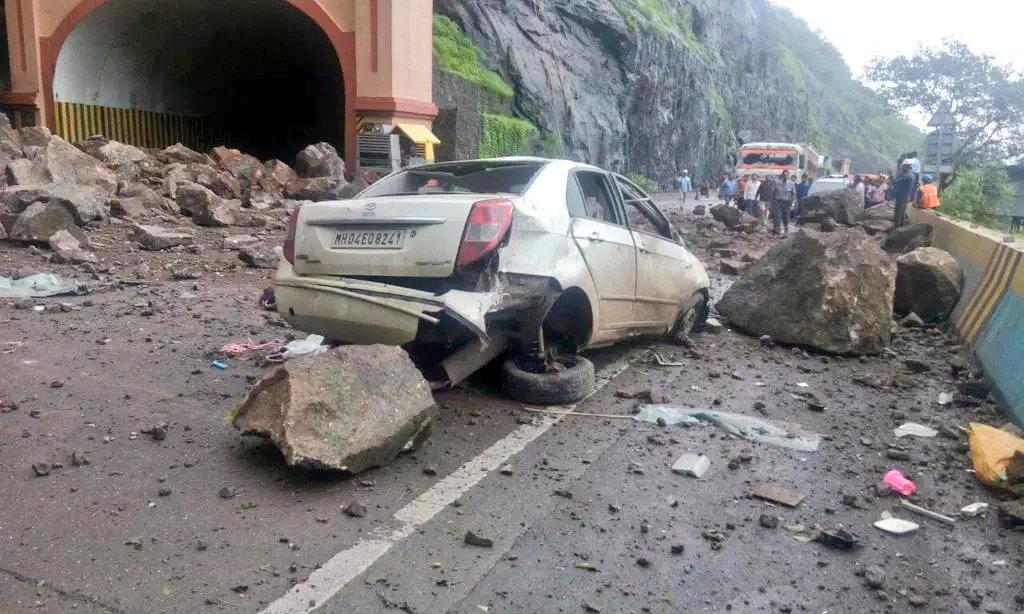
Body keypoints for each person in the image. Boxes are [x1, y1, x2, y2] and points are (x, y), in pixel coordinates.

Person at [771, 170, 796, 235]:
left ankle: (786, 230)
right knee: (778, 216)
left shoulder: (792, 184)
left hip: (786, 202)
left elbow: (793, 195)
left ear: (788, 175)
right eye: (784, 175)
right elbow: (773, 193)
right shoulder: (777, 183)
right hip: (778, 202)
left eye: (786, 175)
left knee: (786, 217)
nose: (785, 176)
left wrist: (792, 205)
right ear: (782, 175)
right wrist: (772, 203)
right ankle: (777, 230)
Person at [891, 163, 915, 227]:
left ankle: (899, 225)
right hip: (904, 195)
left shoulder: (907, 176)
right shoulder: (911, 175)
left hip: (902, 196)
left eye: (902, 168)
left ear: (905, 169)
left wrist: (892, 177)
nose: (901, 169)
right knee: (900, 210)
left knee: (900, 211)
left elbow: (895, 182)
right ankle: (898, 224)